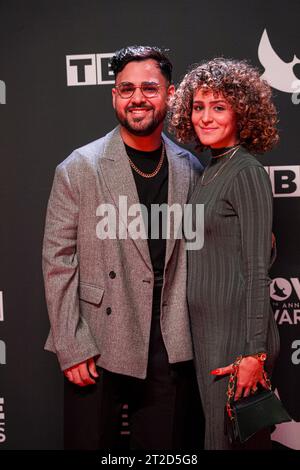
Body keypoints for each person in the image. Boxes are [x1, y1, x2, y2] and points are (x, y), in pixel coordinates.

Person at [42, 45, 203, 450]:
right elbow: (58, 261)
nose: (137, 98)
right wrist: (71, 344)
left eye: (149, 88)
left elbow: (206, 248)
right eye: (125, 88)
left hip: (170, 338)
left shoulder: (190, 167)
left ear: (170, 94)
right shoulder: (80, 166)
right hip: (96, 340)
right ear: (114, 95)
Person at [169, 58, 280, 450]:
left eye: (219, 107)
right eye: (199, 107)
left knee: (233, 441)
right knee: (217, 439)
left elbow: (255, 267)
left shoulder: (246, 171)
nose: (206, 117)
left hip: (237, 336)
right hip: (208, 331)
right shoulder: (209, 170)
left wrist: (253, 352)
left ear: (242, 112)